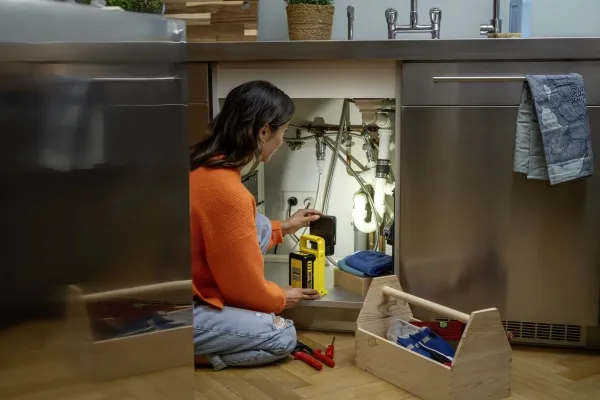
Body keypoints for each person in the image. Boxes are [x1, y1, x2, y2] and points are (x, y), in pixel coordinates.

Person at [190, 80, 323, 371]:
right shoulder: (230, 194)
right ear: (263, 131)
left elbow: (234, 232)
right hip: (175, 313)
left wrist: (284, 227)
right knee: (282, 335)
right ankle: (181, 353)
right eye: (283, 131)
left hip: (170, 289)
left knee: (260, 224)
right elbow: (244, 291)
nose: (282, 140)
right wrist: (280, 297)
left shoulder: (204, 165)